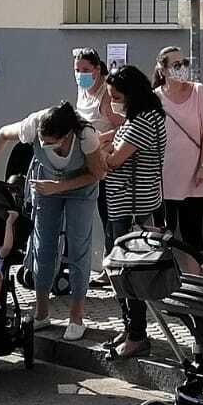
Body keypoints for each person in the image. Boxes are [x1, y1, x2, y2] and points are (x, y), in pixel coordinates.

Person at [0, 103, 106, 342]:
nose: (44, 145)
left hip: (81, 187)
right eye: (41, 141)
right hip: (44, 185)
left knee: (79, 247)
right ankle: (42, 312)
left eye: (50, 142)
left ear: (66, 136)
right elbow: (3, 134)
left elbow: (98, 173)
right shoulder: (33, 125)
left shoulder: (85, 135)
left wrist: (61, 186)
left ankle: (76, 317)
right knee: (42, 246)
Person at [100, 66, 167, 360]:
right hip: (129, 204)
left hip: (130, 209)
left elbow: (113, 161)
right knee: (120, 270)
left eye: (117, 96)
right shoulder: (147, 117)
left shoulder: (142, 122)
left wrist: (96, 151)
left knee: (127, 272)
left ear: (132, 95)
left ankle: (137, 334)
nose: (114, 101)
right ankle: (130, 327)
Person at [154, 47, 203, 259]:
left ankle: (197, 285)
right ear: (163, 70)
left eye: (184, 64)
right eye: (176, 65)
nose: (182, 69)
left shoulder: (199, 92)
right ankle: (164, 283)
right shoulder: (155, 98)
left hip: (195, 178)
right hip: (164, 179)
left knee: (192, 233)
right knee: (164, 234)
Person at [73, 47, 121, 285]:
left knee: (109, 216)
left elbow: (126, 125)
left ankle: (111, 268)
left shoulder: (106, 97)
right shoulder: (83, 91)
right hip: (85, 163)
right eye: (77, 70)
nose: (80, 75)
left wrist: (101, 139)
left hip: (106, 165)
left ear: (98, 69)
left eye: (86, 70)